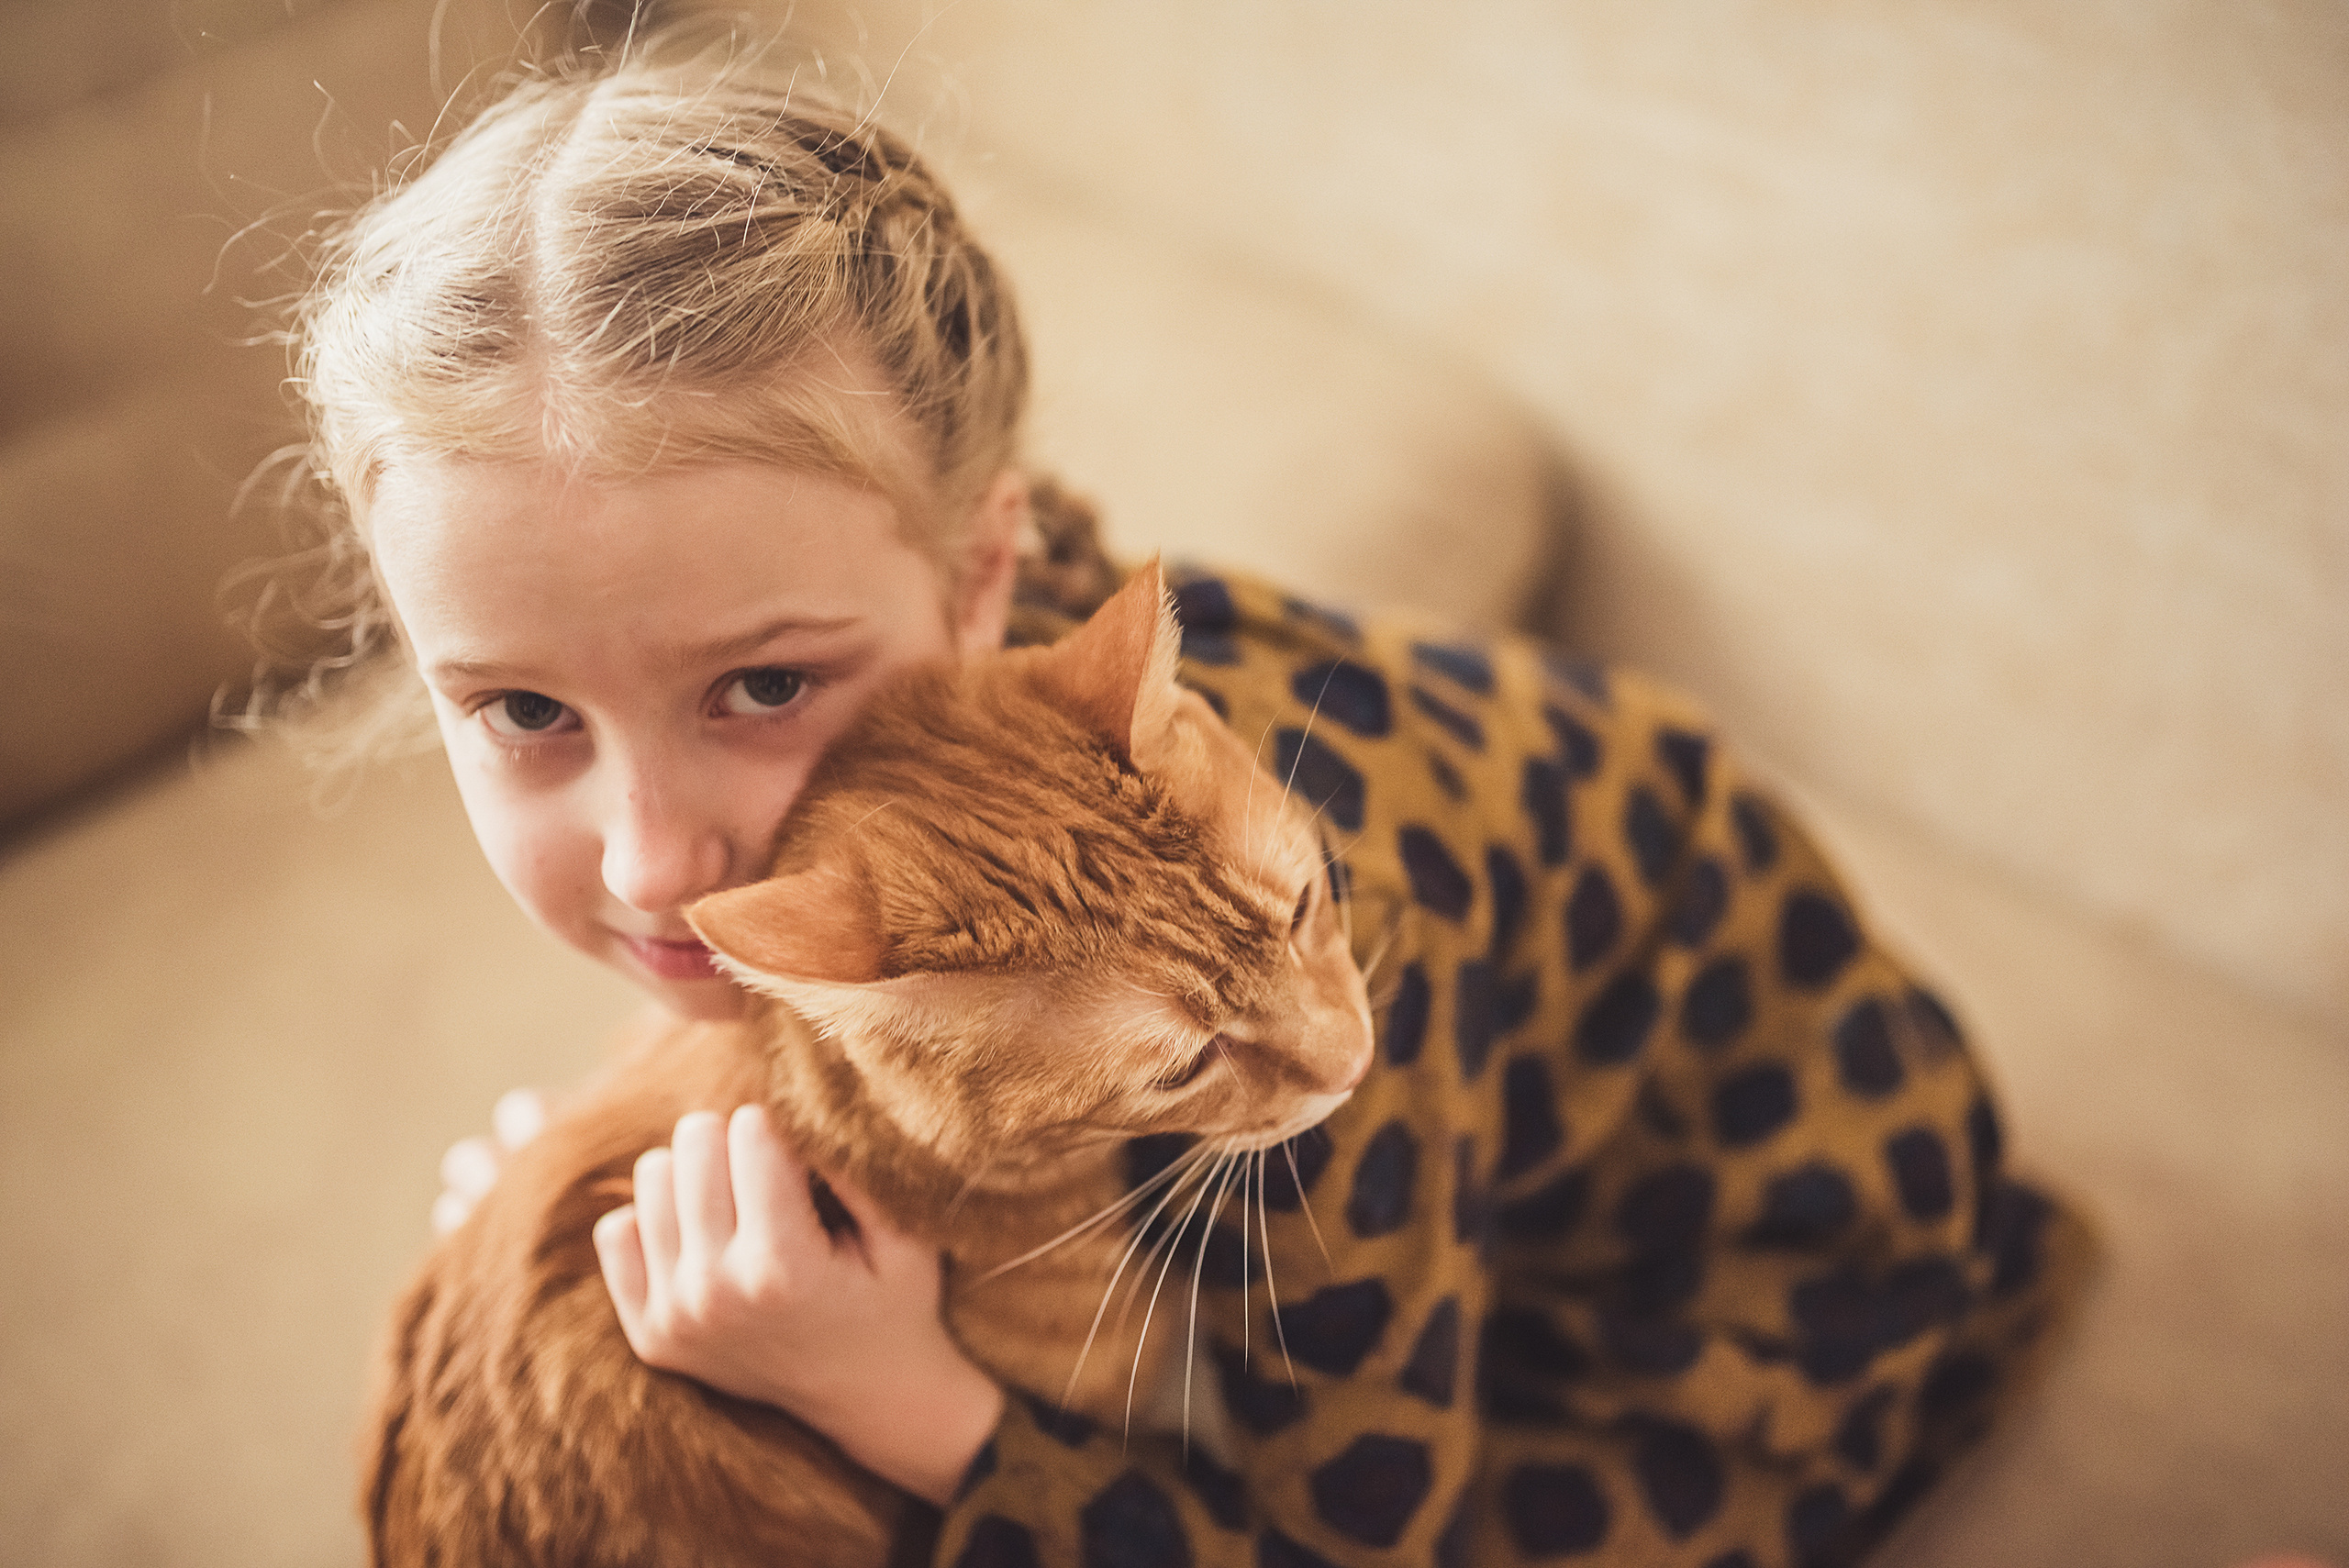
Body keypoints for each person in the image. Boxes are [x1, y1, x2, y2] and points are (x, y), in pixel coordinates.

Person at [294, 39, 2092, 1568]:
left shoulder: (1308, 1001)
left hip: (1734, 1294)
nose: (653, 861)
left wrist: (902, 1408)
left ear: (987, 575)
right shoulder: (961, 733)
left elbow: (1349, 1537)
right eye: (522, 709)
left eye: (761, 685)